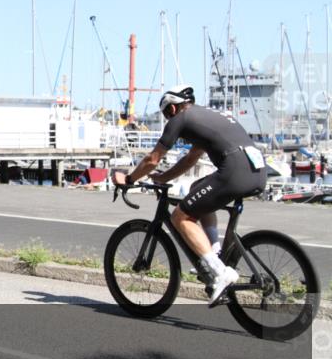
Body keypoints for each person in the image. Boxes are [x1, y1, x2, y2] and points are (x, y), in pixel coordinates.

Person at [112, 85, 267, 305]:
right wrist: (163, 178)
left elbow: (152, 159)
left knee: (180, 217)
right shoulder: (205, 115)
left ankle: (220, 273)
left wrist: (129, 179)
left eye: (166, 114)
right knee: (198, 189)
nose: (168, 120)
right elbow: (191, 158)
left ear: (173, 108)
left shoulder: (181, 119)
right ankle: (214, 251)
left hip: (235, 171)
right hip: (258, 171)